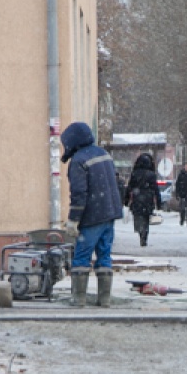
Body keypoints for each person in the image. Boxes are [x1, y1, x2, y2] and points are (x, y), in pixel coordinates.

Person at [60, 121, 123, 308]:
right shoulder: (104, 154)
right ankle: (104, 299)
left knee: (81, 257)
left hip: (92, 216)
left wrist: (73, 220)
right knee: (105, 255)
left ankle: (78, 298)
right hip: (110, 213)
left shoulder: (78, 161)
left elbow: (79, 194)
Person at [125, 152, 162, 247]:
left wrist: (126, 200)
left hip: (137, 199)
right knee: (146, 219)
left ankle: (140, 232)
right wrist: (159, 202)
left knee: (138, 217)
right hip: (148, 199)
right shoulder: (151, 175)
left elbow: (129, 188)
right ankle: (144, 235)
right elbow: (156, 189)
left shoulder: (135, 174)